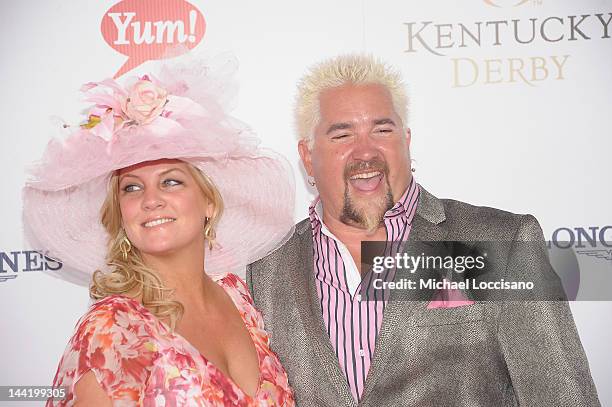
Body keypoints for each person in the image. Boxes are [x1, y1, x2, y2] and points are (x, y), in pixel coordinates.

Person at [246, 54, 600, 406]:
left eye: (382, 130)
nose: (365, 151)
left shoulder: (498, 243)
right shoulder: (266, 266)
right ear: (308, 156)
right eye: (342, 135)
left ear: (407, 140)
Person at [23, 61, 295, 406]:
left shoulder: (238, 298)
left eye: (170, 181)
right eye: (132, 188)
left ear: (208, 202)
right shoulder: (113, 328)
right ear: (120, 215)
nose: (151, 200)